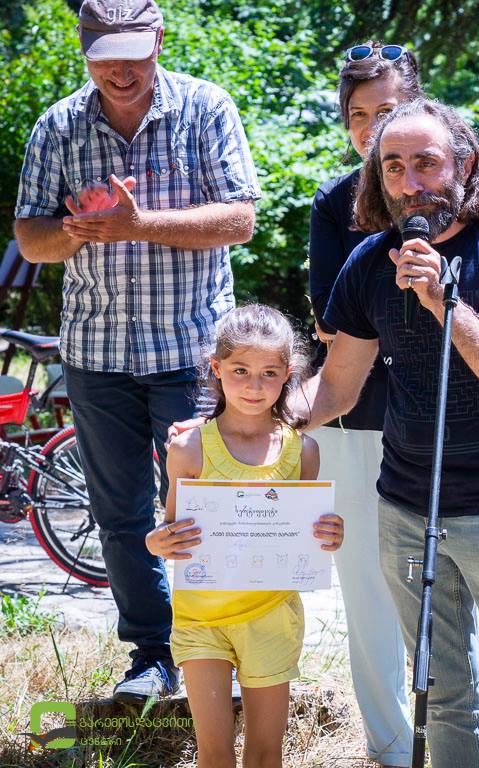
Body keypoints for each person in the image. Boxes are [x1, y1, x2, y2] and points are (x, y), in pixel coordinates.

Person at [297, 97, 479, 768]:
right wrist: (248, 419)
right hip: (406, 513)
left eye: (426, 163)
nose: (410, 184)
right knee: (444, 698)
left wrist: (442, 302)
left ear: (463, 164)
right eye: (393, 167)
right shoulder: (370, 262)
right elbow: (336, 388)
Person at [13, 0, 259, 701]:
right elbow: (31, 238)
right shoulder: (58, 125)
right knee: (121, 514)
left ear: (159, 40)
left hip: (192, 349)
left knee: (210, 505)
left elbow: (240, 218)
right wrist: (77, 231)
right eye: (104, 59)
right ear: (84, 50)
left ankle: (224, 649)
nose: (120, 73)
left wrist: (138, 223)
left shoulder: (206, 108)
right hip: (97, 353)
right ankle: (152, 656)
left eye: (134, 56)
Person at [146, 304, 344, 768]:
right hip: (200, 619)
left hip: (272, 617)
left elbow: (309, 536)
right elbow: (167, 530)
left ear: (288, 375)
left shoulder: (303, 451)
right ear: (216, 368)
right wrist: (157, 543)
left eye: (268, 373)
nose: (254, 386)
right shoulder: (188, 448)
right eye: (240, 371)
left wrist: (331, 534)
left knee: (265, 755)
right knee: (214, 755)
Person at [307, 41, 422, 768]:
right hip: (353, 422)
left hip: (441, 423)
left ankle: (454, 736)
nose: (373, 127)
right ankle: (390, 746)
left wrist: (370, 324)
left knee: (441, 590)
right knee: (367, 593)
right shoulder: (333, 202)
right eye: (358, 115)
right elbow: (329, 320)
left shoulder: (455, 192)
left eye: (388, 109)